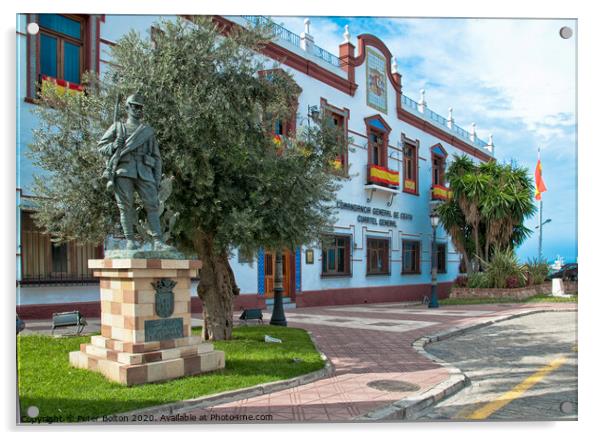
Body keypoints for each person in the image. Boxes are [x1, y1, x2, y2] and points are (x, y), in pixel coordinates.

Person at [98, 93, 169, 250]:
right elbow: (101, 147)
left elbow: (157, 158)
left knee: (153, 205)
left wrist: (157, 180)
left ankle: (158, 241)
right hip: (124, 171)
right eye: (135, 106)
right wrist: (115, 145)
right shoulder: (118, 127)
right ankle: (130, 241)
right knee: (125, 206)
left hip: (144, 171)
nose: (138, 110)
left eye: (140, 107)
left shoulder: (148, 131)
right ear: (127, 107)